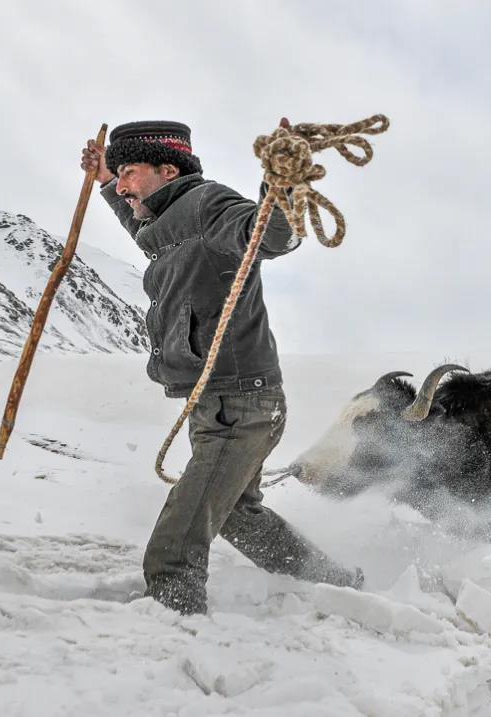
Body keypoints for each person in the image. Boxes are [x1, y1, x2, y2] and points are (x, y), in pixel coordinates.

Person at [81, 120, 360, 614]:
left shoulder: (208, 205)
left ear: (169, 170)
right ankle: (331, 582)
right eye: (119, 175)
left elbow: (269, 235)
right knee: (235, 514)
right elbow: (142, 229)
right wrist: (105, 180)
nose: (124, 187)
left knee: (184, 528)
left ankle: (173, 615)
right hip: (215, 399)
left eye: (130, 172)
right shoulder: (162, 222)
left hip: (243, 402)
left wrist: (283, 185)